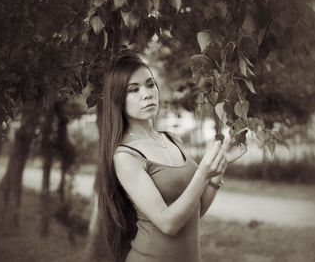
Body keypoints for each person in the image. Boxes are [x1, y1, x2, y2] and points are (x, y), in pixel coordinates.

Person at [98, 51, 244, 262]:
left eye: (150, 85)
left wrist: (219, 167)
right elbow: (168, 224)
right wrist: (202, 173)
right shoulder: (126, 156)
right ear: (118, 99)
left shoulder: (172, 139)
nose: (147, 93)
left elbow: (195, 211)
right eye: (134, 89)